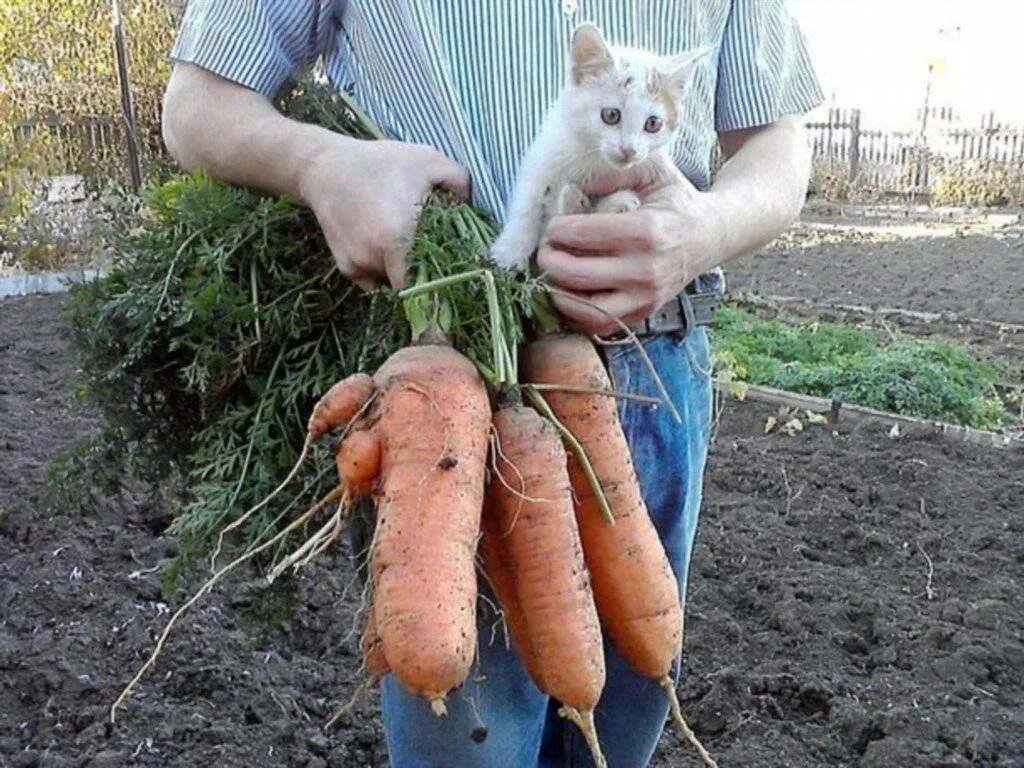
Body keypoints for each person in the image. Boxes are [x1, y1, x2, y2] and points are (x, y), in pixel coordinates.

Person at [163, 2, 822, 766]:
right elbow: (196, 101)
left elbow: (776, 139)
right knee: (458, 700)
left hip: (655, 372)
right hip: (448, 401)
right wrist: (318, 163)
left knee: (631, 695)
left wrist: (705, 230)